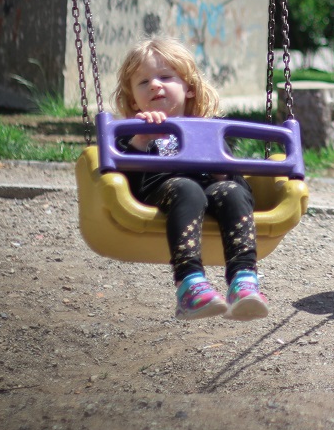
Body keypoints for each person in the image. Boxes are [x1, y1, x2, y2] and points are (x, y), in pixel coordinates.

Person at [113, 37, 269, 322]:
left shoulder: (209, 131)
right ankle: (189, 285)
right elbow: (118, 188)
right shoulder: (129, 134)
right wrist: (139, 141)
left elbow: (243, 189)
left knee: (231, 191)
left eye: (165, 77)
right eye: (143, 82)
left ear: (189, 88)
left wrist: (221, 166)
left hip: (212, 194)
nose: (155, 85)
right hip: (163, 195)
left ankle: (243, 281)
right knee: (187, 188)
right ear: (133, 98)